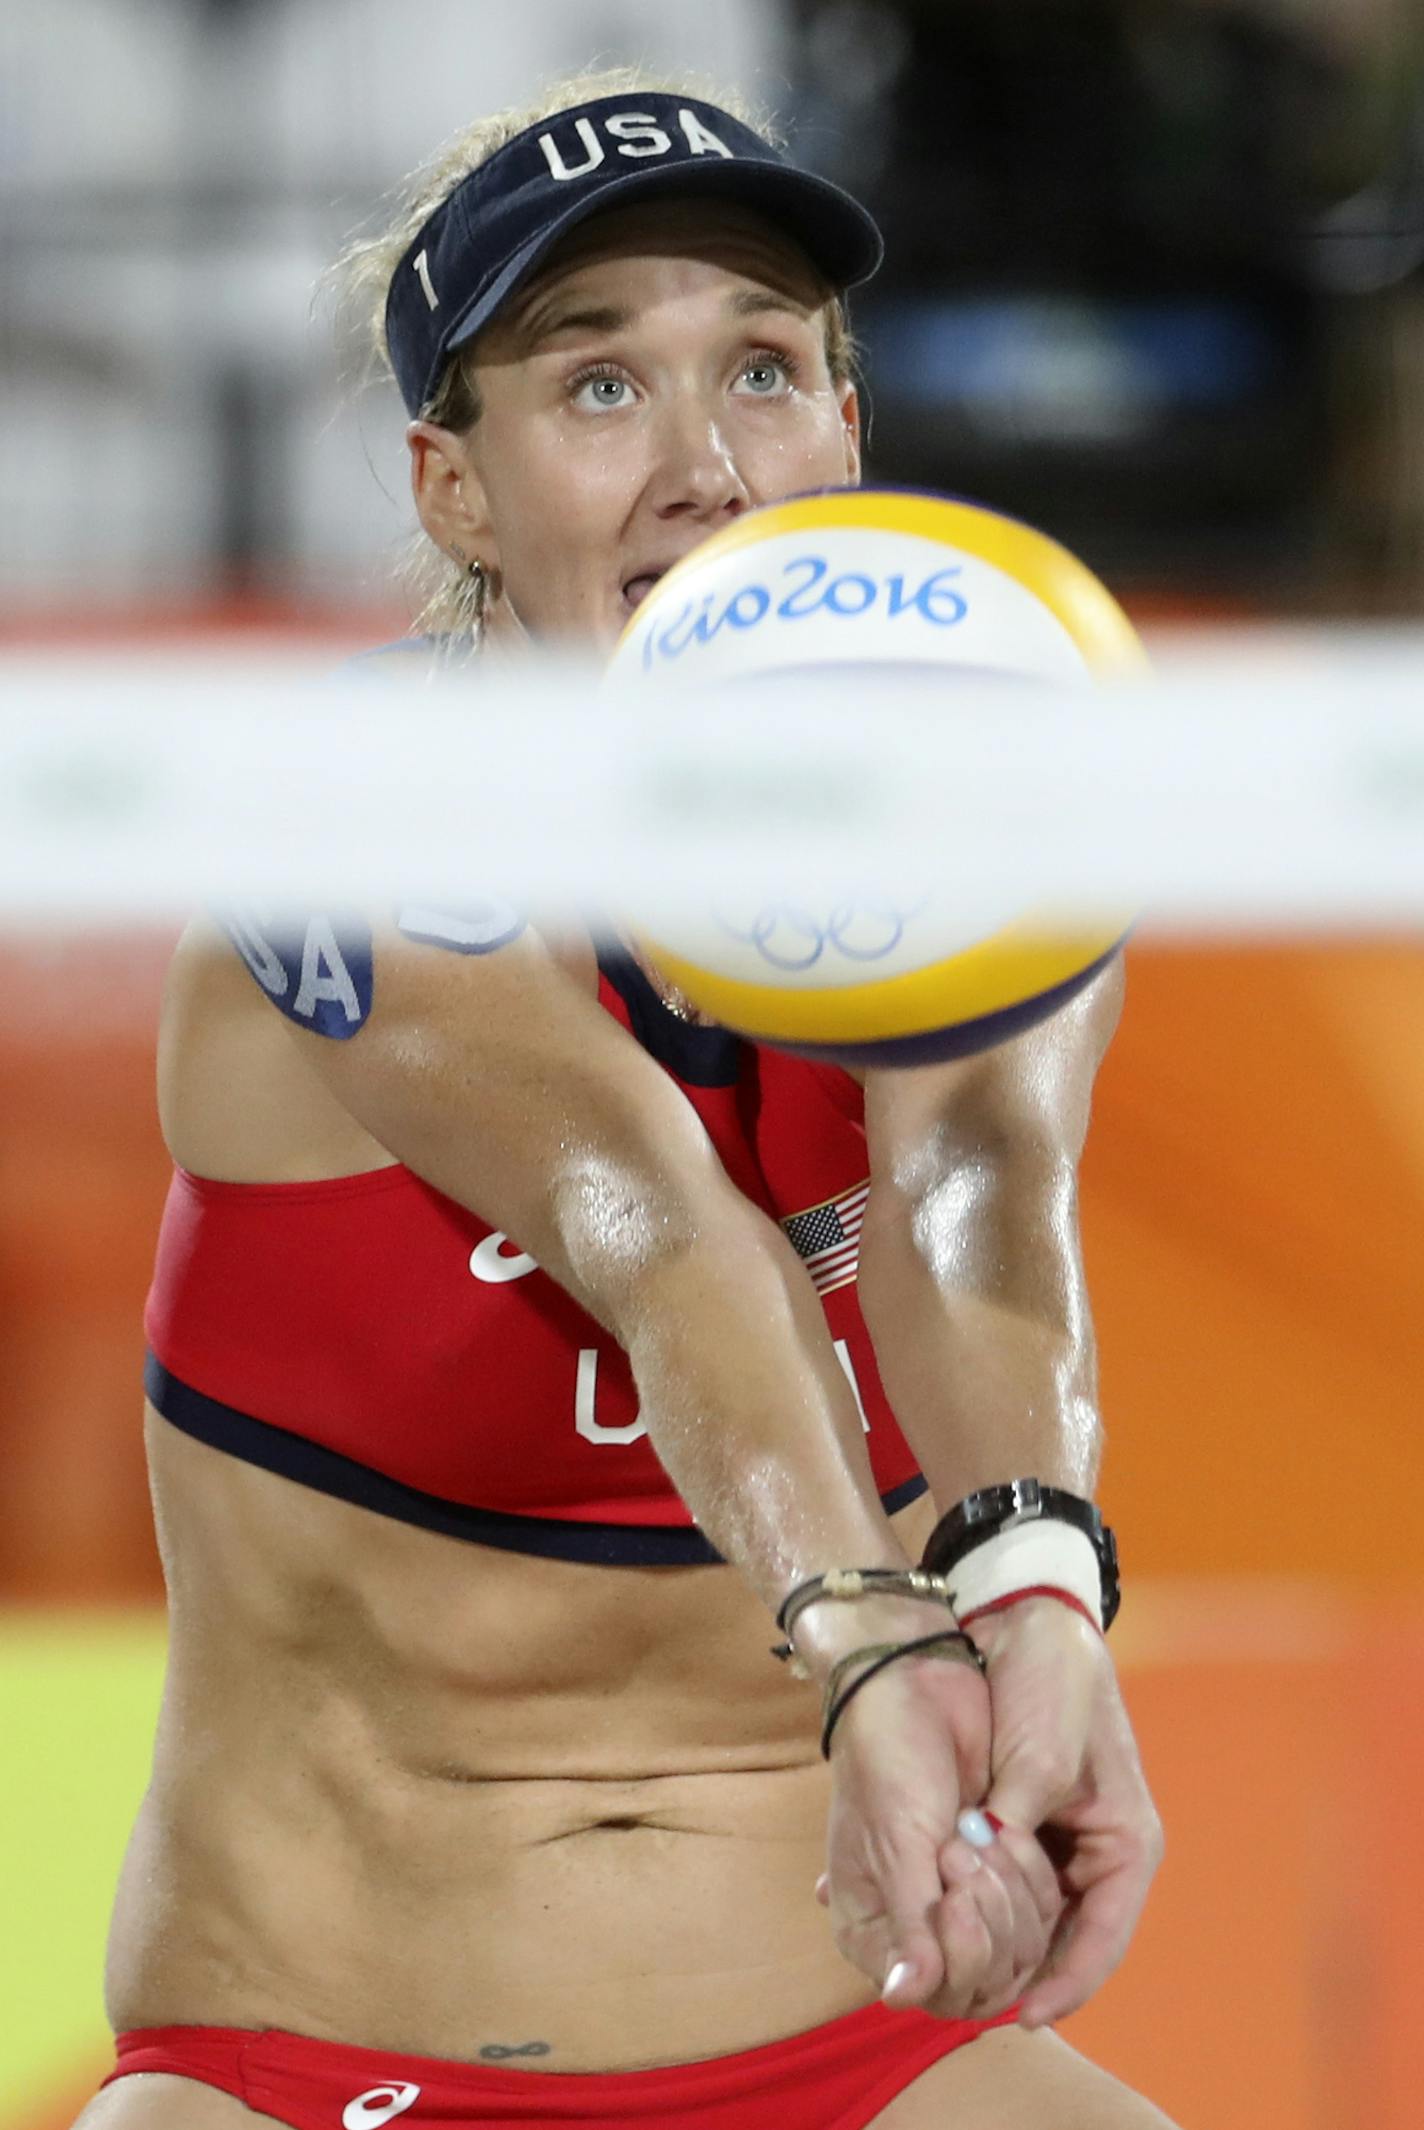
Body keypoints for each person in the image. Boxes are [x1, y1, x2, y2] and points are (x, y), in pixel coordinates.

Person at [77, 67, 1173, 2130]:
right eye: (597, 390)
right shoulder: (336, 810)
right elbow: (650, 1227)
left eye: (765, 369)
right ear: (453, 493)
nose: (705, 468)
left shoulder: (996, 775)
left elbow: (976, 1192)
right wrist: (866, 1637)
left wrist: (1035, 1590)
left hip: (874, 2037)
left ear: (849, 429)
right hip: (305, 2050)